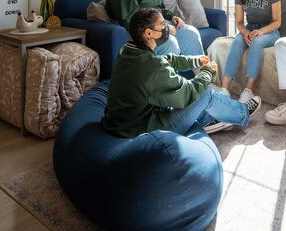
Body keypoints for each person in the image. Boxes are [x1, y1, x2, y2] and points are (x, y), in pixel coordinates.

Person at [102, 8, 261, 138]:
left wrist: (195, 60)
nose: (167, 28)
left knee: (204, 100)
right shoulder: (153, 67)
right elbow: (187, 94)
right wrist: (206, 73)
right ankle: (243, 112)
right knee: (205, 93)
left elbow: (167, 59)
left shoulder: (128, 50)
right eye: (162, 25)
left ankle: (216, 119)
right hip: (144, 130)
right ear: (149, 33)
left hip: (124, 122)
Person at [221, 0, 282, 105]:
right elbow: (240, 22)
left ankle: (248, 90)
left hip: (269, 31)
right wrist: (246, 33)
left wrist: (260, 32)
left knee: (256, 42)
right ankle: (224, 89)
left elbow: (277, 22)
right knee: (236, 42)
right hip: (250, 28)